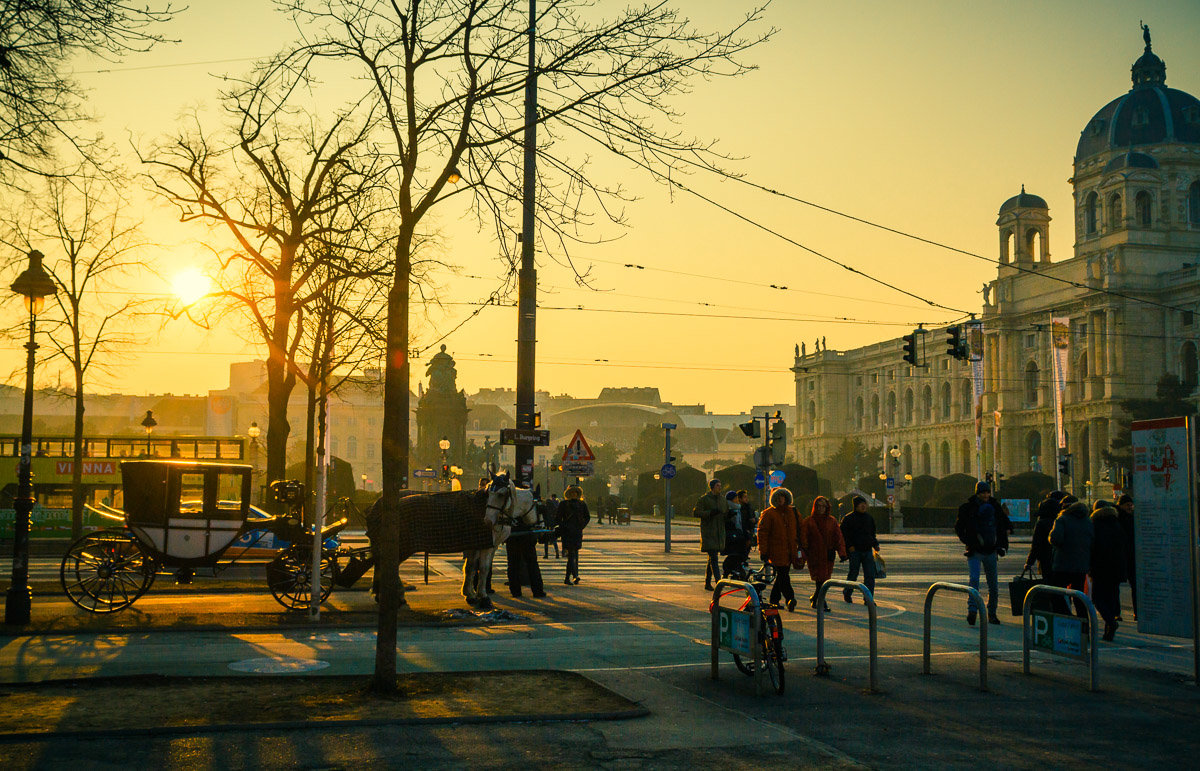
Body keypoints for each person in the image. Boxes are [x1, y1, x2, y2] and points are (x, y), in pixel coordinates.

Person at [954, 481, 1011, 625]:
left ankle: (992, 613)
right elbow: (959, 527)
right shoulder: (968, 508)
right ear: (977, 493)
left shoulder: (995, 507)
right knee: (974, 580)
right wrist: (968, 541)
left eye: (987, 492)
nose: (985, 495)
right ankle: (972, 611)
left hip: (991, 551)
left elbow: (1004, 526)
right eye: (983, 492)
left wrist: (1003, 546)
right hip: (975, 551)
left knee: (993, 585)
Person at [756, 487, 802, 611]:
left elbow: (800, 528)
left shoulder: (793, 512)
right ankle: (790, 598)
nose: (781, 499)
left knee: (782, 576)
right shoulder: (769, 513)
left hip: (790, 550)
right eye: (778, 497)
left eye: (783, 497)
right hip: (776, 551)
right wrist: (763, 551)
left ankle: (774, 600)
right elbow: (763, 533)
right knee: (783, 575)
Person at [800, 495, 847, 611]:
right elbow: (803, 538)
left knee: (824, 580)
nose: (821, 509)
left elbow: (838, 538)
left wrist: (842, 553)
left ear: (827, 508)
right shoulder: (808, 521)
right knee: (820, 580)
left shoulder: (832, 521)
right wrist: (805, 551)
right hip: (815, 555)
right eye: (818, 506)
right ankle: (821, 602)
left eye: (823, 506)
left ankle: (816, 598)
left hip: (828, 555)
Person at [1049, 499, 1094, 618]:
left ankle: (1066, 616)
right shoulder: (1088, 521)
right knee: (1078, 595)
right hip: (1081, 565)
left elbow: (1055, 539)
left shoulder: (1062, 519)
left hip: (1063, 564)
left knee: (1056, 592)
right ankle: (1083, 621)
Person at [1090, 500, 1126, 641]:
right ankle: (1108, 631)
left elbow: (1092, 547)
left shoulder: (1095, 525)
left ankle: (1111, 623)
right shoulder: (1117, 524)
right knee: (1111, 599)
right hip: (1117, 568)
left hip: (1100, 567)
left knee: (1098, 599)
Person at [840, 495, 879, 603]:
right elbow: (844, 535)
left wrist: (875, 544)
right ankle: (847, 592)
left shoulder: (869, 518)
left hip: (867, 550)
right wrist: (850, 547)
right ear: (856, 506)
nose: (863, 506)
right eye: (861, 504)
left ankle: (868, 599)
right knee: (853, 574)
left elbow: (872, 534)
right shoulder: (848, 519)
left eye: (864, 504)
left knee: (870, 576)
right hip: (855, 551)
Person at [694, 479, 728, 591]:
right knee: (713, 558)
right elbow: (696, 512)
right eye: (718, 486)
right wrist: (710, 513)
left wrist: (728, 516)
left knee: (712, 558)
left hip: (719, 532)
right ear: (712, 487)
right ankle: (719, 582)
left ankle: (707, 583)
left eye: (720, 485)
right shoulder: (704, 499)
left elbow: (725, 513)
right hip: (709, 532)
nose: (720, 487)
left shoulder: (723, 499)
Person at [1025, 490, 1067, 577]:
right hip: (1061, 559)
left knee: (1048, 584)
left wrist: (1029, 562)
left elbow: (1036, 544)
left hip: (1045, 559)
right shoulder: (1062, 520)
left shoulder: (1042, 522)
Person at [505, 511, 545, 599]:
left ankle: (515, 591)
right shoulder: (528, 501)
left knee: (513, 564)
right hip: (527, 534)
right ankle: (537, 590)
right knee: (532, 563)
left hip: (513, 534)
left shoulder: (510, 502)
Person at [557, 486, 590, 584]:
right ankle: (575, 575)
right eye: (571, 493)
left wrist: (581, 526)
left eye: (575, 493)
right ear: (568, 494)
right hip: (567, 532)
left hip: (577, 532)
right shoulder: (563, 504)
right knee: (571, 554)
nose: (573, 494)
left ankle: (567, 578)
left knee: (572, 555)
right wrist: (564, 526)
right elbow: (558, 518)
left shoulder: (582, 504)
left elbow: (587, 517)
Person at [721, 490, 752, 579]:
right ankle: (729, 571)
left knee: (739, 555)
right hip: (732, 536)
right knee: (736, 555)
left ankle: (733, 572)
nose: (737, 500)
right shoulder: (728, 509)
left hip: (739, 535)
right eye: (735, 498)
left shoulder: (739, 508)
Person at [1116, 493, 1137, 620]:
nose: (1130, 507)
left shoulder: (1132, 518)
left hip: (1129, 556)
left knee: (1134, 585)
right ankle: (1117, 613)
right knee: (1117, 586)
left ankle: (1136, 612)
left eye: (1131, 505)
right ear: (1121, 505)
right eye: (1127, 505)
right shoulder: (1119, 519)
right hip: (1122, 556)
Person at [543, 494, 560, 559]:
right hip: (553, 526)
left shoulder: (546, 510)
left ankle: (546, 554)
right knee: (554, 541)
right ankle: (557, 554)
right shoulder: (555, 508)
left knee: (546, 541)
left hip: (547, 526)